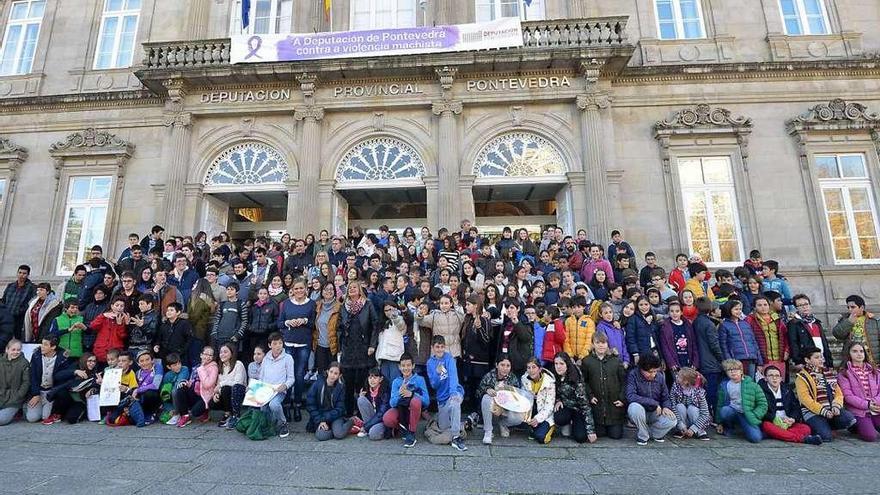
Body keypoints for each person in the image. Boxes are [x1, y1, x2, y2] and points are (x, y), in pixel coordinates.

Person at [795, 346, 856, 442]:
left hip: (831, 408)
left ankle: (827, 425)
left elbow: (838, 393)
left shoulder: (828, 373)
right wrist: (823, 411)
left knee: (850, 419)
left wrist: (836, 406)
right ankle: (818, 426)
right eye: (816, 357)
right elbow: (805, 399)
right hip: (812, 411)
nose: (821, 360)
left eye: (821, 357)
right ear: (807, 360)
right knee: (826, 437)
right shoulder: (802, 377)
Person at [276, 278, 316, 422]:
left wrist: (305, 321)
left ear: (306, 289)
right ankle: (286, 404)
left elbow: (313, 324)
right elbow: (279, 323)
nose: (299, 291)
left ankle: (298, 404)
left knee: (299, 376)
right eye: (296, 288)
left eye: (301, 288)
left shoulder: (311, 304)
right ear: (292, 290)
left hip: (303, 343)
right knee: (287, 375)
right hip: (288, 343)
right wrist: (288, 322)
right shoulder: (286, 304)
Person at [338, 280, 379, 417]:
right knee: (348, 385)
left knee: (362, 384)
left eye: (354, 287)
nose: (352, 289)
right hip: (348, 349)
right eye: (350, 288)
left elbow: (375, 324)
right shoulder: (344, 306)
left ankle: (362, 414)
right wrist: (340, 346)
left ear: (360, 289)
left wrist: (372, 345)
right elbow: (339, 327)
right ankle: (349, 413)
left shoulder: (367, 304)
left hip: (364, 348)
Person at [758, 365, 822, 445]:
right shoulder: (759, 390)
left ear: (781, 378)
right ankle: (802, 439)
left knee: (806, 429)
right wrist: (774, 418)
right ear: (765, 378)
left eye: (777, 376)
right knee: (767, 426)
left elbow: (795, 407)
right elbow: (760, 410)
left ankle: (780, 434)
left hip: (787, 422)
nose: (774, 378)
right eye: (771, 375)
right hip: (772, 421)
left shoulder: (787, 389)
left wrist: (792, 419)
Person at [581, 333, 626, 439]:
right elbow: (584, 382)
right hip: (597, 405)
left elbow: (624, 381)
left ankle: (612, 424)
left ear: (607, 344)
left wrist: (622, 398)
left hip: (613, 406)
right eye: (597, 343)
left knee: (616, 435)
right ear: (593, 344)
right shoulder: (587, 361)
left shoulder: (616, 361)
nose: (601, 345)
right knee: (600, 433)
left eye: (603, 343)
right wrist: (590, 395)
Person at [426, 335, 467, 451]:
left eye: (442, 347)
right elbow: (434, 385)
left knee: (455, 404)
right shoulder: (430, 363)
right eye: (437, 347)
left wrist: (454, 394)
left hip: (454, 392)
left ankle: (456, 437)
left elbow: (454, 377)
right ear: (433, 348)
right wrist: (437, 374)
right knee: (444, 427)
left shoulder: (449, 358)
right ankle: (465, 424)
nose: (440, 349)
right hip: (442, 398)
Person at [626, 353, 676, 445]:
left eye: (655, 371)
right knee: (634, 407)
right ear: (641, 369)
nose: (653, 374)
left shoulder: (660, 377)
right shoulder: (633, 375)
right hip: (641, 412)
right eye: (650, 372)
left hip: (655, 413)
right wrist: (654, 403)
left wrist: (666, 407)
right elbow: (630, 396)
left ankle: (653, 433)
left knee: (672, 419)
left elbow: (666, 397)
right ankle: (643, 435)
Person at [715, 359, 766, 443]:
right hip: (733, 411)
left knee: (755, 438)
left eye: (735, 369)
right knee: (724, 410)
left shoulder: (752, 385)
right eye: (729, 370)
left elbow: (762, 403)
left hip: (747, 414)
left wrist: (755, 414)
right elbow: (719, 405)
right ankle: (729, 427)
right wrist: (719, 423)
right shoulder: (724, 385)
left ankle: (751, 429)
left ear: (741, 371)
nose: (733, 372)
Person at [837, 342, 880, 442]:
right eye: (855, 351)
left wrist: (875, 402)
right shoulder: (844, 374)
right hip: (859, 411)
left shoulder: (875, 371)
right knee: (870, 437)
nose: (859, 354)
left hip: (876, 408)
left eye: (861, 351)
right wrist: (867, 405)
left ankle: (871, 422)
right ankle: (855, 426)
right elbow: (848, 396)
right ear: (849, 354)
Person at [25, 336, 74, 423]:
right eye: (42, 344)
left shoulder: (63, 357)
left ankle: (53, 407)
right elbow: (33, 376)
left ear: (53, 347)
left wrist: (53, 392)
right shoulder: (36, 355)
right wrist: (36, 394)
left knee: (45, 417)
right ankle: (27, 406)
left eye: (45, 345)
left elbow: (62, 379)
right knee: (32, 418)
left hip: (51, 392)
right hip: (39, 391)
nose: (42, 347)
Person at [385, 353, 429, 448]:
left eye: (408, 365)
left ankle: (411, 433)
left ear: (413, 366)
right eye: (403, 366)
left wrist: (412, 394)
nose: (406, 368)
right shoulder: (396, 381)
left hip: (413, 410)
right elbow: (392, 403)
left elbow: (427, 401)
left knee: (415, 401)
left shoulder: (420, 380)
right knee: (387, 418)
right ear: (399, 367)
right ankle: (402, 429)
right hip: (400, 409)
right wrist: (399, 393)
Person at [552, 352, 597, 444]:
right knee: (559, 418)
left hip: (578, 409)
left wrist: (591, 431)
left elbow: (585, 405)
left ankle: (575, 424)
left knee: (580, 438)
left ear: (567, 364)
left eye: (561, 364)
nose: (558, 367)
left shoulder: (575, 378)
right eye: (556, 364)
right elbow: (553, 393)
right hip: (565, 407)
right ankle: (567, 424)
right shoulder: (554, 375)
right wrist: (558, 400)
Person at [258, 332, 295, 438]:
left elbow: (291, 378)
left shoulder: (288, 358)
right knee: (263, 407)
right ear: (270, 345)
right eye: (275, 343)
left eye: (280, 343)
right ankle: (270, 424)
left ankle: (283, 423)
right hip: (266, 389)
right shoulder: (266, 358)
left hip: (279, 390)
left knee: (273, 404)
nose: (278, 346)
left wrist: (285, 386)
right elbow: (261, 376)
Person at [692, 297, 723, 418]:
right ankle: (713, 415)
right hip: (711, 362)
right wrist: (722, 359)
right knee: (712, 392)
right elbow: (714, 345)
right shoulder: (709, 324)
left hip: (700, 360)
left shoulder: (696, 322)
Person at [306, 362, 353, 441]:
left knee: (339, 434)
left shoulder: (341, 387)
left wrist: (324, 419)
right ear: (327, 371)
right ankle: (333, 430)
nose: (332, 375)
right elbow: (310, 405)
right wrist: (320, 420)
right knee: (320, 435)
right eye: (331, 372)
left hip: (335, 416)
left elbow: (340, 408)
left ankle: (351, 422)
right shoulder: (317, 384)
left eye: (336, 373)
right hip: (320, 415)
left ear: (339, 375)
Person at [173, 346, 218, 428]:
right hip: (195, 393)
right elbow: (192, 382)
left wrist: (202, 369)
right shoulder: (196, 366)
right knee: (180, 389)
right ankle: (185, 416)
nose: (207, 357)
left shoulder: (213, 367)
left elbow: (207, 384)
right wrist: (186, 383)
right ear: (201, 355)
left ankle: (205, 411)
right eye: (205, 354)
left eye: (210, 355)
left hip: (205, 396)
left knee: (195, 413)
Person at [746, 295, 789, 379]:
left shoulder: (777, 318)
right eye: (759, 305)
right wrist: (759, 361)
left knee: (779, 383)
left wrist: (786, 350)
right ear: (754, 307)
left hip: (779, 358)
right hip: (763, 359)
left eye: (765, 305)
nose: (763, 307)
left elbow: (785, 336)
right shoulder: (750, 320)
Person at [788, 294, 833, 369]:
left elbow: (824, 343)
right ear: (796, 308)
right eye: (800, 305)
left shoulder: (816, 322)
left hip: (822, 360)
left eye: (806, 304)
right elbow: (793, 343)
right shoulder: (794, 323)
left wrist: (829, 362)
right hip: (806, 361)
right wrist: (798, 361)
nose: (804, 307)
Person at [718, 300, 762, 377]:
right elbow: (723, 346)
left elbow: (754, 342)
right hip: (736, 360)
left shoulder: (746, 324)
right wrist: (730, 362)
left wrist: (759, 361)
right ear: (729, 309)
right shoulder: (724, 325)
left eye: (740, 309)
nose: (739, 311)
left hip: (751, 359)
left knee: (750, 382)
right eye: (736, 309)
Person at [832, 295, 879, 365]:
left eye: (853, 307)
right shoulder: (845, 319)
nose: (850, 310)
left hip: (872, 359)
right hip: (852, 361)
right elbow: (837, 334)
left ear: (862, 308)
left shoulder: (873, 320)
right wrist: (849, 322)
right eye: (848, 307)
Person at [520, 356, 556, 444]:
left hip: (544, 414)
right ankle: (533, 427)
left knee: (541, 438)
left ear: (539, 369)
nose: (531, 370)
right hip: (531, 411)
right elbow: (522, 398)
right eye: (528, 368)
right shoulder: (524, 379)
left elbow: (549, 406)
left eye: (534, 367)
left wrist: (537, 419)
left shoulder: (549, 382)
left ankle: (550, 427)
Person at [669, 367, 711, 440]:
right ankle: (681, 430)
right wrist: (680, 425)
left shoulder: (699, 392)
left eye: (679, 376)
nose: (676, 377)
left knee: (692, 409)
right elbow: (673, 406)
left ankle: (699, 431)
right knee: (679, 406)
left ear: (686, 381)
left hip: (696, 420)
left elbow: (705, 413)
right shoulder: (675, 387)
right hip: (682, 421)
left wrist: (694, 428)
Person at [657, 301, 699, 374]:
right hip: (675, 363)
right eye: (672, 311)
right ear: (668, 313)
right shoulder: (665, 327)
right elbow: (665, 347)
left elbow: (694, 344)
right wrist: (671, 362)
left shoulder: (688, 325)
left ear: (681, 312)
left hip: (688, 360)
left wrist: (695, 362)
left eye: (677, 311)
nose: (674, 313)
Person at [375, 301, 407, 383]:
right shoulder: (382, 323)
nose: (388, 312)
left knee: (395, 383)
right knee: (384, 384)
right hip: (383, 358)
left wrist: (395, 316)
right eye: (386, 310)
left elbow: (400, 325)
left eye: (390, 309)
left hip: (395, 357)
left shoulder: (399, 319)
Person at [90, 297, 129, 365]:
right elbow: (93, 326)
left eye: (122, 306)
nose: (119, 308)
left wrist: (120, 325)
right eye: (117, 305)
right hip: (101, 352)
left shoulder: (125, 318)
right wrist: (103, 316)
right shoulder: (104, 316)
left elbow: (123, 336)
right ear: (112, 306)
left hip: (115, 354)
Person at [313, 282, 340, 378]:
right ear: (322, 292)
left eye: (331, 289)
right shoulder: (317, 306)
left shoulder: (339, 307)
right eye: (326, 289)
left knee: (333, 375)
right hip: (320, 346)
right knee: (321, 374)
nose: (329, 291)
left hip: (333, 347)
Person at [0, 339, 30, 425]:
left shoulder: (24, 363)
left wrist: (19, 395)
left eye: (18, 350)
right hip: (1, 396)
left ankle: (16, 411)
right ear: (7, 349)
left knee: (1, 420)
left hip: (14, 400)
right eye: (13, 349)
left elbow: (26, 382)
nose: (16, 352)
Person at [211, 282, 248, 350]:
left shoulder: (241, 304)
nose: (229, 291)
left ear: (237, 292)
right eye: (228, 289)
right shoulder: (222, 304)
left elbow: (244, 321)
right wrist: (214, 332)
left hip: (232, 337)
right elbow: (217, 319)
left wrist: (238, 335)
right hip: (220, 336)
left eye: (232, 289)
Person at [3, 265, 36, 341]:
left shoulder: (32, 288)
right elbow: (4, 300)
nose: (21, 275)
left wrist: (19, 311)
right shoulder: (10, 286)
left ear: (28, 275)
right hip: (7, 317)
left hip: (20, 319)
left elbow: (32, 304)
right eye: (20, 272)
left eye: (24, 273)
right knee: (5, 338)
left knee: (18, 339)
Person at [356, 367, 390, 440]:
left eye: (375, 377)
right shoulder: (366, 391)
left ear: (380, 379)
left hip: (382, 421)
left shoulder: (385, 392)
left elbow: (381, 414)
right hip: (371, 420)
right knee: (361, 399)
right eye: (370, 377)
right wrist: (362, 397)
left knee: (373, 435)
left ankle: (369, 429)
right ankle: (368, 428)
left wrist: (366, 426)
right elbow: (364, 412)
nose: (372, 380)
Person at [132, 350, 162, 426]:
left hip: (155, 395)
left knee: (149, 393)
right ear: (138, 363)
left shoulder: (158, 367)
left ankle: (151, 413)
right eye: (141, 361)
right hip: (141, 396)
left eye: (147, 359)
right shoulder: (138, 373)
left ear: (152, 360)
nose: (145, 363)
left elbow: (155, 385)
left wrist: (138, 390)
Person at [563, 296, 595, 365]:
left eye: (579, 307)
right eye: (574, 307)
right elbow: (566, 339)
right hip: (571, 358)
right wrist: (570, 355)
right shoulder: (568, 321)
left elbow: (589, 341)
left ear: (583, 307)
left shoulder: (589, 321)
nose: (577, 309)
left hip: (586, 357)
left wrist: (582, 357)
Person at [161, 353, 190, 426]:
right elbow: (164, 393)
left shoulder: (184, 369)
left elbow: (179, 382)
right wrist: (170, 409)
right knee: (165, 394)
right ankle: (173, 411)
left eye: (179, 363)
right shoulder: (167, 376)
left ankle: (178, 414)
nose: (178, 366)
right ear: (169, 367)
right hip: (172, 399)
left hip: (183, 394)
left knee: (176, 391)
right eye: (174, 365)